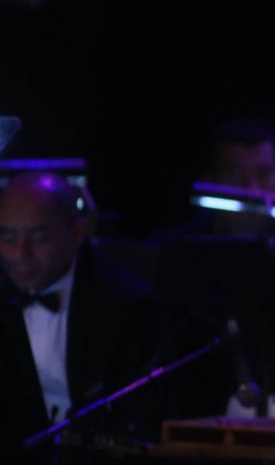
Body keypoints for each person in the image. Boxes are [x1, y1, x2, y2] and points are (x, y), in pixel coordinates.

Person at [0, 172, 174, 459]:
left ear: (77, 233)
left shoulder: (125, 304)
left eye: (38, 236)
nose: (21, 253)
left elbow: (140, 419)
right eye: (8, 237)